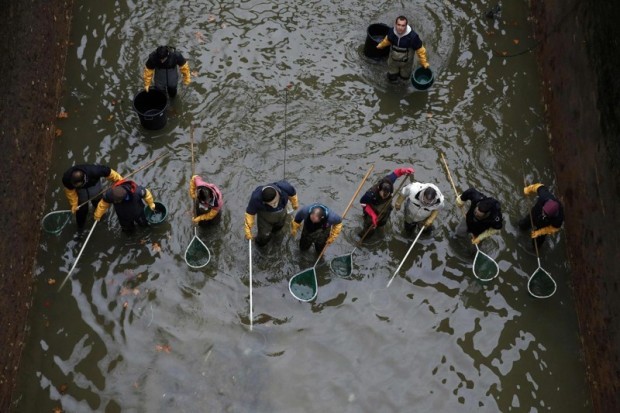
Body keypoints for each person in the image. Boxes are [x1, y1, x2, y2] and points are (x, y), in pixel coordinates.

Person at [62, 164, 124, 229]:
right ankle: (80, 229)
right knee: (81, 212)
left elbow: (110, 173)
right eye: (75, 186)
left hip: (94, 188)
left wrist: (121, 182)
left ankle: (101, 219)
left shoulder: (95, 171)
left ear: (84, 179)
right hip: (81, 193)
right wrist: (74, 204)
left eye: (78, 185)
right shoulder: (67, 179)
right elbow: (70, 191)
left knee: (98, 204)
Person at [359, 167, 414, 237]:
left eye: (387, 195)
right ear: (379, 190)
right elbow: (362, 203)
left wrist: (405, 170)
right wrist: (373, 215)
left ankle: (380, 225)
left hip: (385, 209)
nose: (384, 197)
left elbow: (397, 172)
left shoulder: (389, 181)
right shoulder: (370, 194)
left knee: (382, 222)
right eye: (382, 194)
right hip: (372, 210)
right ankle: (363, 237)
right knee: (369, 230)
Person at [244, 180, 299, 247]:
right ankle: (259, 245)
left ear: (277, 194)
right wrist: (248, 229)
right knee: (264, 236)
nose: (274, 205)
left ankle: (275, 237)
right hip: (265, 218)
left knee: (278, 229)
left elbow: (293, 194)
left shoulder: (285, 187)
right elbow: (250, 214)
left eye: (275, 202)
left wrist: (295, 204)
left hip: (282, 213)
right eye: (271, 204)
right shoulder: (256, 198)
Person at [376, 15, 430, 82]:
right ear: (395, 24)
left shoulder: (413, 37)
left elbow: (420, 50)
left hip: (406, 64)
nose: (400, 28)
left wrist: (424, 62)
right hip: (393, 61)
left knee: (404, 78)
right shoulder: (392, 32)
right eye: (398, 25)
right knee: (391, 77)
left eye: (403, 25)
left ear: (406, 25)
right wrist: (381, 45)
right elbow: (387, 40)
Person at [519, 183, 564, 248]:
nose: (543, 213)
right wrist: (529, 189)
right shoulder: (545, 196)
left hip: (544, 226)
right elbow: (539, 186)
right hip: (533, 215)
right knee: (522, 225)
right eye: (544, 211)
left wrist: (540, 232)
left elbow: (554, 228)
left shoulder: (559, 218)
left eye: (545, 214)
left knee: (537, 244)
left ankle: (535, 248)